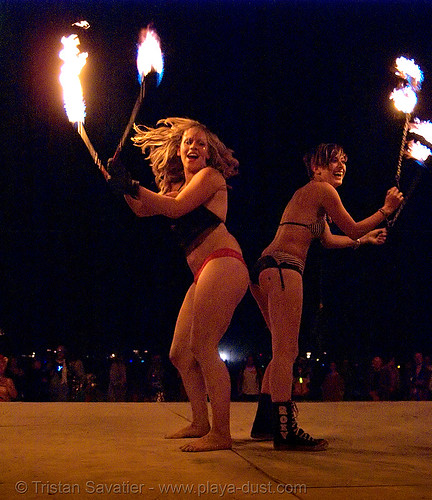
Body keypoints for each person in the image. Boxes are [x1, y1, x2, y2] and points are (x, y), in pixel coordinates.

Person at [249, 143, 403, 450]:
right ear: (317, 168)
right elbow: (352, 225)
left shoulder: (309, 197)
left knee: (281, 350)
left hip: (264, 270)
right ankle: (285, 431)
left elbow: (331, 239)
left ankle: (265, 423)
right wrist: (386, 210)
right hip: (284, 268)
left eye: (344, 161)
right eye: (333, 161)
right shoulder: (323, 191)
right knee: (286, 352)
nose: (341, 165)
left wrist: (364, 240)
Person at [107, 117, 249, 452]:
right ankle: (200, 422)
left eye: (201, 142)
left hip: (224, 261)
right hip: (204, 272)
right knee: (179, 355)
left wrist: (130, 185)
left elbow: (173, 209)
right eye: (188, 142)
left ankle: (221, 433)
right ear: (179, 149)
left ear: (209, 152)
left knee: (202, 348)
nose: (194, 147)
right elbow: (144, 209)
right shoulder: (176, 188)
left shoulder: (209, 178)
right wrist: (118, 181)